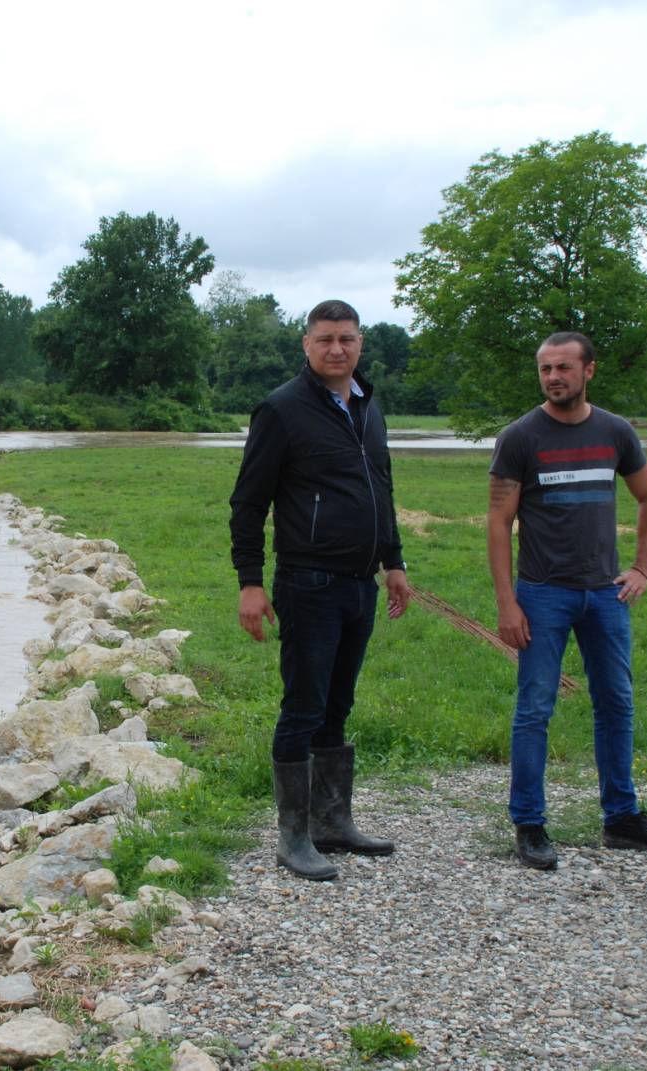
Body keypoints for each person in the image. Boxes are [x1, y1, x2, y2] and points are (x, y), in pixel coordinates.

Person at [229, 299, 412, 881]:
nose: (338, 349)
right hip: (307, 582)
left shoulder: (367, 405)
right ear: (305, 344)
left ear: (361, 344)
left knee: (338, 706)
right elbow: (248, 503)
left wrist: (395, 562)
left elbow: (380, 487)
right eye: (326, 339)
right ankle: (293, 837)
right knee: (303, 707)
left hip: (360, 582)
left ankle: (334, 822)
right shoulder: (281, 410)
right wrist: (251, 583)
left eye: (348, 339)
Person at [487, 331, 647, 870]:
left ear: (589, 370)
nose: (554, 377)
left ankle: (621, 818)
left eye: (564, 368)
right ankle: (529, 823)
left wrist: (642, 567)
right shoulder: (520, 437)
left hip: (604, 594)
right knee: (535, 708)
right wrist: (507, 603)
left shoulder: (615, 431)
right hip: (543, 593)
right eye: (546, 369)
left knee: (616, 703)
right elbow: (500, 522)